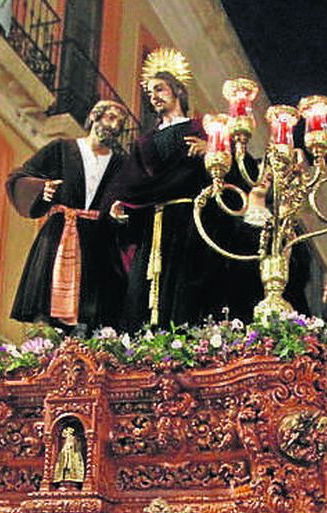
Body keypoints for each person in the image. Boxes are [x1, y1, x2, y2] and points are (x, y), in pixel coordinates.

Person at [113, 49, 255, 329]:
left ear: (177, 90)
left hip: (193, 221)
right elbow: (132, 185)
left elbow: (241, 169)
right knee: (143, 288)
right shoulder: (145, 142)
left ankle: (185, 342)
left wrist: (213, 151)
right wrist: (122, 207)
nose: (154, 96)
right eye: (150, 91)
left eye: (160, 88)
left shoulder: (204, 127)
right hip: (153, 223)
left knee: (187, 285)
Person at [7, 99, 133, 331]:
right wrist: (41, 188)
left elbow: (131, 201)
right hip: (59, 234)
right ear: (95, 116)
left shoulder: (121, 165)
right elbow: (19, 177)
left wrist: (119, 215)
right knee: (46, 310)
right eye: (111, 118)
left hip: (98, 242)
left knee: (93, 312)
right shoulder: (60, 149)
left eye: (120, 123)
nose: (115, 126)